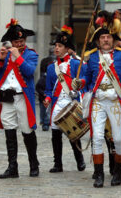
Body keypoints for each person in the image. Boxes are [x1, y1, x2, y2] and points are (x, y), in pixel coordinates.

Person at [72, 10, 121, 188]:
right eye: (102, 37)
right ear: (97, 41)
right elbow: (87, 79)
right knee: (97, 137)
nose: (105, 40)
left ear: (113, 39)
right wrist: (79, 83)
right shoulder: (91, 57)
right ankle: (99, 175)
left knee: (118, 139)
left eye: (108, 37)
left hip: (115, 101)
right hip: (98, 101)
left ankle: (118, 172)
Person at [0, 19, 39, 178]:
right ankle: (13, 167)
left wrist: (18, 57)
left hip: (22, 98)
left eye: (21, 41)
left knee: (27, 130)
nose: (19, 44)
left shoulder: (30, 54)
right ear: (11, 41)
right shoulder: (3, 53)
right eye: (16, 41)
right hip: (7, 98)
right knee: (9, 131)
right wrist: (1, 59)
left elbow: (29, 71)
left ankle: (33, 163)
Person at [43, 25, 86, 173]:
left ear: (67, 49)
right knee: (55, 135)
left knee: (73, 134)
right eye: (56, 45)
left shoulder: (76, 64)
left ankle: (79, 160)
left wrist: (79, 84)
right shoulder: (51, 68)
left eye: (60, 46)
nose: (56, 48)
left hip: (71, 102)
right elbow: (49, 89)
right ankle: (58, 163)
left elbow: (85, 78)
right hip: (57, 104)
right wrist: (47, 98)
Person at [35, 47, 54, 131]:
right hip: (44, 86)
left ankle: (46, 122)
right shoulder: (46, 61)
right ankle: (44, 121)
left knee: (46, 109)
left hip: (48, 86)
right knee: (43, 108)